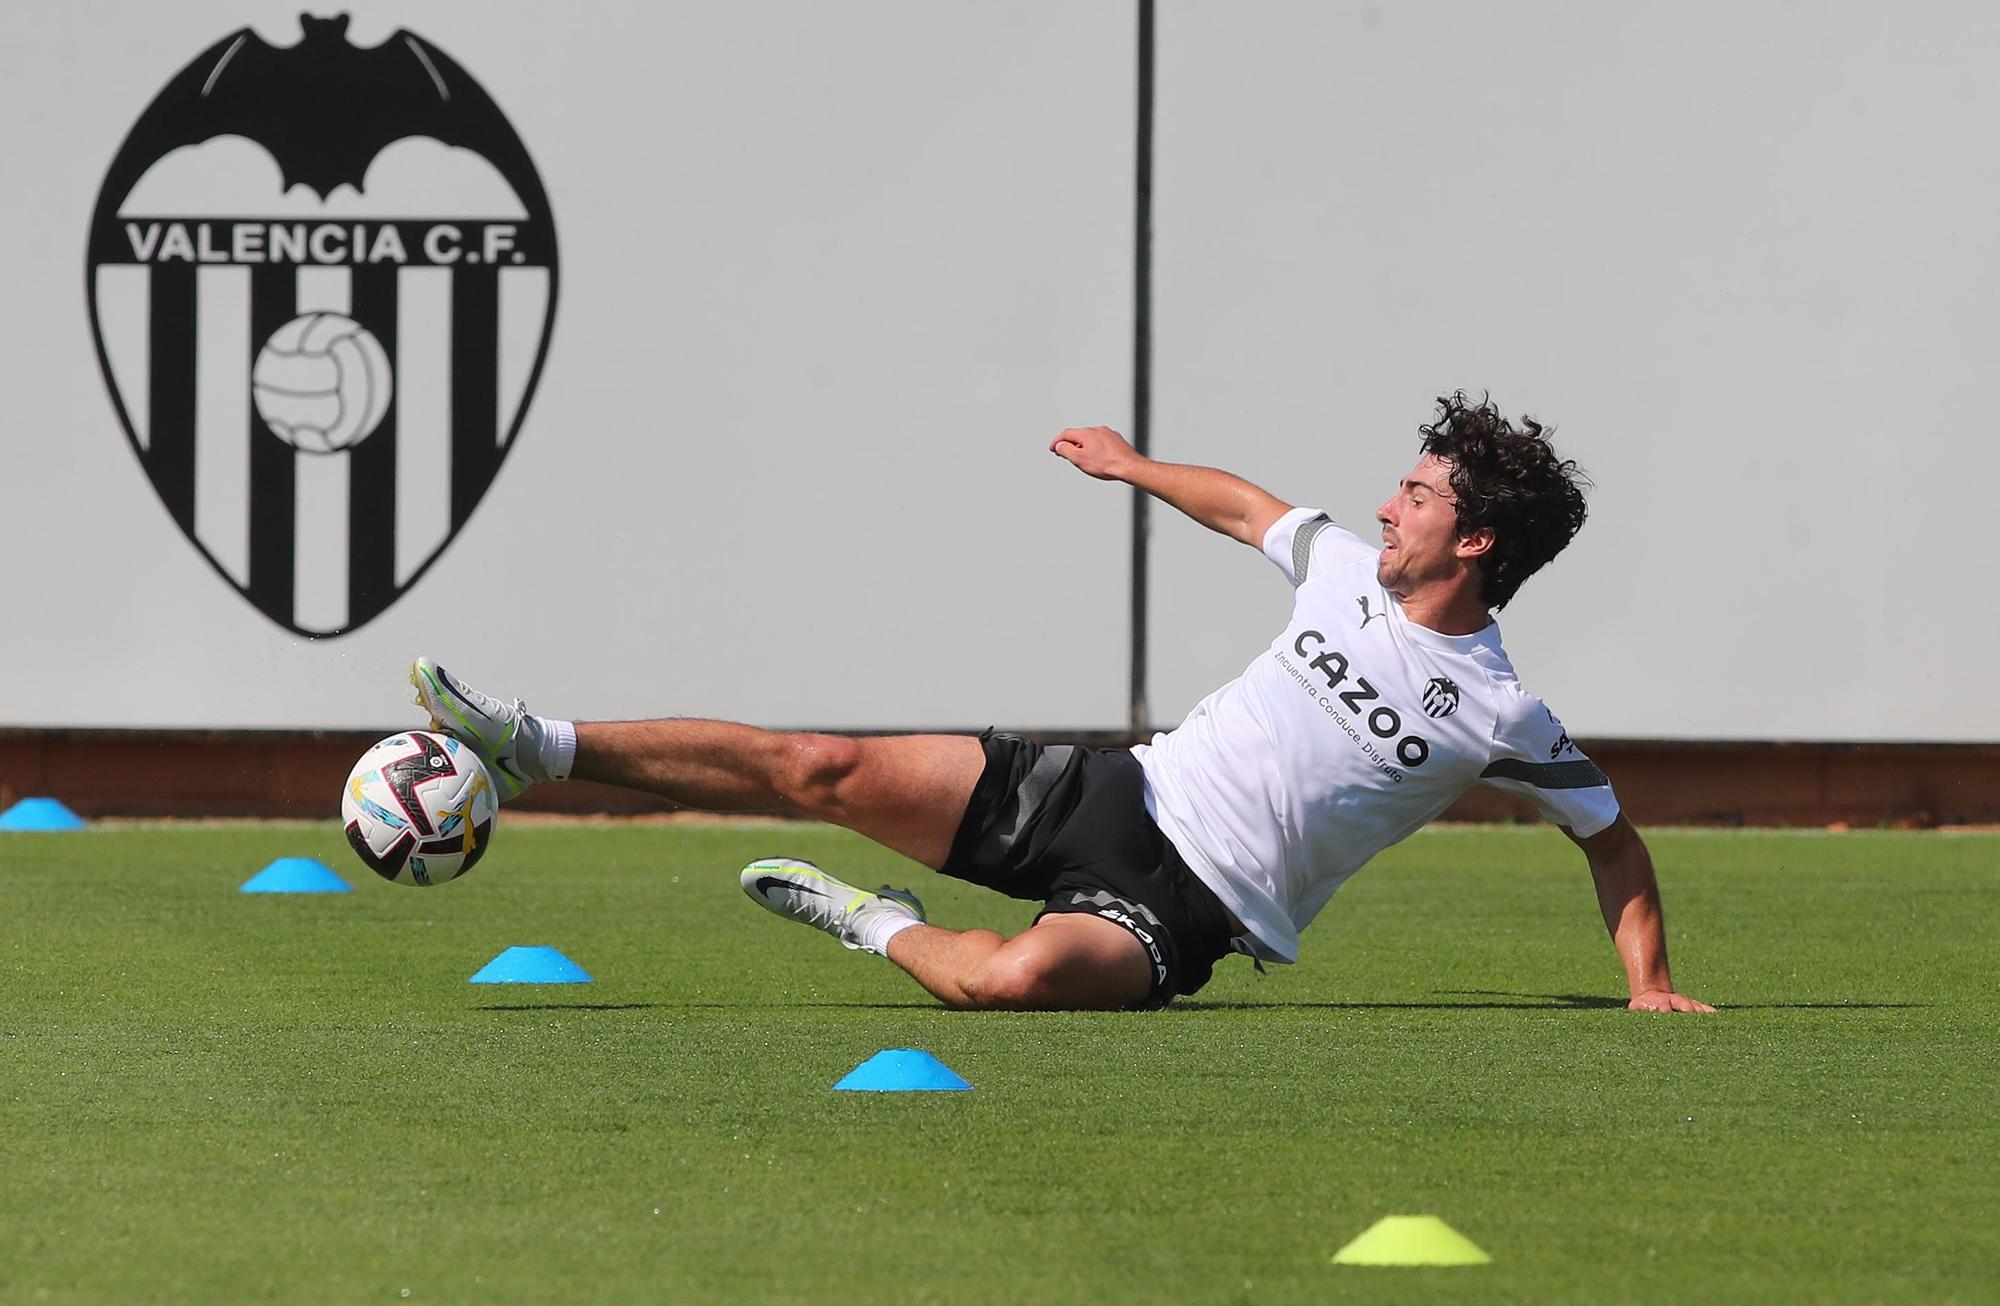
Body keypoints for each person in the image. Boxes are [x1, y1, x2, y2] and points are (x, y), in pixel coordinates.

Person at [412, 392, 1710, 1014]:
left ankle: (874, 924)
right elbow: (1247, 506)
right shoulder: (1335, 570)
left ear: (1476, 541)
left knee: (1012, 986)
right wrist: (1135, 465)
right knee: (817, 761)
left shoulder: (1501, 714)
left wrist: (1647, 984)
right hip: (1113, 790)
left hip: (1191, 910)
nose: (1387, 502)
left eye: (1418, 494)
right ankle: (529, 742)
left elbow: (1614, 839)